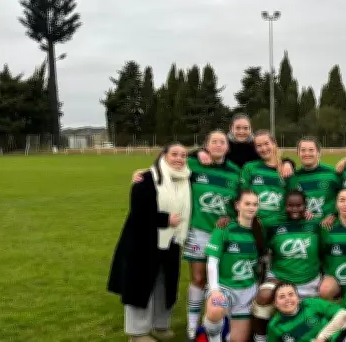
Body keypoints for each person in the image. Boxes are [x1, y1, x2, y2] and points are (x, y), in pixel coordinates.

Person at [132, 131, 245, 340]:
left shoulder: (235, 171)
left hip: (224, 233)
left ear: (228, 147)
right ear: (206, 145)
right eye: (214, 142)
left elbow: (242, 200)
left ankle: (219, 321)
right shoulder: (193, 164)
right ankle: (192, 326)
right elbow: (166, 167)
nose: (218, 145)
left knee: (222, 279)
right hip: (198, 231)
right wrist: (143, 173)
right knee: (199, 278)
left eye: (222, 142)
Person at [108, 143, 192, 342]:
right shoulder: (146, 179)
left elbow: (210, 157)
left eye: (183, 155)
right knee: (141, 285)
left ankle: (160, 325)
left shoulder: (187, 178)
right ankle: (138, 333)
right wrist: (165, 220)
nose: (179, 159)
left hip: (171, 241)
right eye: (174, 154)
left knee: (165, 284)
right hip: (143, 242)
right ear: (164, 155)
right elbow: (139, 213)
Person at [251, 190, 323, 342]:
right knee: (264, 295)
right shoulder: (273, 224)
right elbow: (259, 242)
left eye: (299, 205)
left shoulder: (316, 224)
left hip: (309, 281)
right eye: (290, 205)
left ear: (306, 206)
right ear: (284, 206)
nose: (295, 209)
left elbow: (323, 250)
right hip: (280, 278)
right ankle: (260, 338)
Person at [203, 189, 262, 342]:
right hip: (225, 288)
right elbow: (212, 262)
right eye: (247, 204)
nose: (251, 207)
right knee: (216, 309)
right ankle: (214, 338)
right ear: (237, 205)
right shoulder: (224, 228)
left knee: (238, 339)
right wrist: (214, 290)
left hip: (247, 291)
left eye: (255, 204)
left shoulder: (259, 231)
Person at [196, 113, 295, 175]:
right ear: (231, 128)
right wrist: (201, 152)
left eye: (245, 128)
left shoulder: (256, 145)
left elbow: (273, 158)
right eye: (238, 128)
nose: (241, 131)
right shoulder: (223, 144)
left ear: (251, 129)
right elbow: (202, 151)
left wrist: (287, 163)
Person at [266, 283, 346, 342]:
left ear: (298, 298)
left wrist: (321, 337)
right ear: (276, 303)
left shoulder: (311, 303)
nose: (288, 299)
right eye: (282, 297)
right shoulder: (274, 326)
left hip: (334, 338)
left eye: (291, 294)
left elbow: (344, 314)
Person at [240, 131, 292, 229]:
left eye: (266, 143)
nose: (263, 148)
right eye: (259, 146)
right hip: (253, 225)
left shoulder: (286, 170)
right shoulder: (249, 168)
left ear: (274, 144)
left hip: (279, 225)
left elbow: (292, 200)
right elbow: (242, 195)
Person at [319, 189, 346, 301]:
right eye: (342, 200)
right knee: (325, 289)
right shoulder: (326, 227)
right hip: (334, 279)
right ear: (336, 204)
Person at [288, 137, 341, 224]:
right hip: (305, 227)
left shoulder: (333, 173)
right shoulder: (293, 177)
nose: (307, 153)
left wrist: (335, 214)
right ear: (298, 153)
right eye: (303, 150)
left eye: (311, 150)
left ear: (318, 152)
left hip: (329, 226)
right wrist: (299, 212)